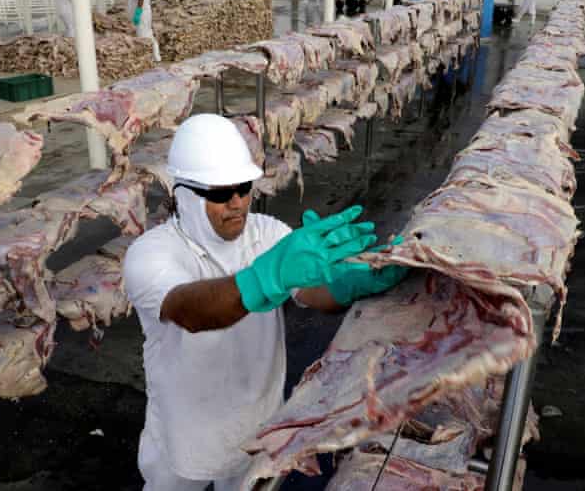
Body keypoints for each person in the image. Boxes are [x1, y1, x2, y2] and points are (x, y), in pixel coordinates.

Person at [123, 114, 408, 491]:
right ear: (185, 196)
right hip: (185, 429)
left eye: (244, 188)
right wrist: (265, 278)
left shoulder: (266, 233)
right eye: (221, 194)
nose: (238, 203)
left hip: (255, 422)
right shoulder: (151, 253)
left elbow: (308, 292)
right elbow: (189, 311)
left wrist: (348, 285)